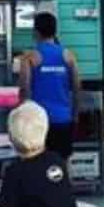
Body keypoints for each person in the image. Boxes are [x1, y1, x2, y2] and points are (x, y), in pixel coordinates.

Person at [19, 10, 81, 158]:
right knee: (62, 162)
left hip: (37, 122)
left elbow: (24, 89)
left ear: (36, 32)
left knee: (37, 164)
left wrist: (23, 116)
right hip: (63, 120)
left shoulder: (29, 57)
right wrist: (75, 116)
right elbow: (77, 89)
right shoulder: (68, 55)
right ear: (55, 31)